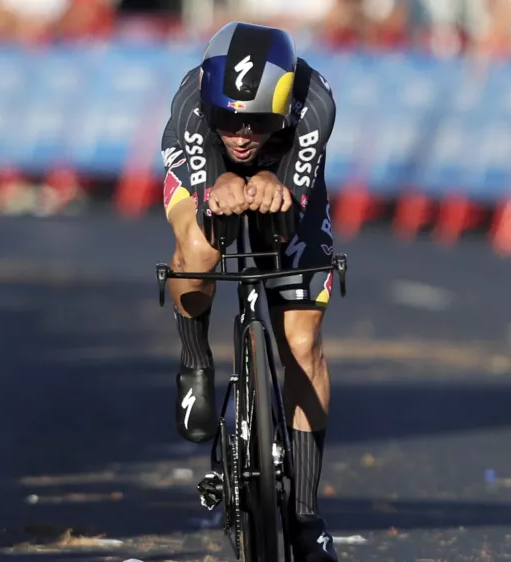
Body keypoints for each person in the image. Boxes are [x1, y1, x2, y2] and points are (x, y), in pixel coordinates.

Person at [159, 21, 338, 562]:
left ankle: (305, 515)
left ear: (281, 109)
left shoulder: (314, 107)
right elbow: (212, 181)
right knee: (201, 245)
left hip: (288, 172)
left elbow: (292, 191)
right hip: (201, 169)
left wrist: (275, 182)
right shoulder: (195, 103)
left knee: (302, 344)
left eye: (257, 121)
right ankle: (195, 360)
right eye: (229, 118)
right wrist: (224, 184)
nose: (240, 133)